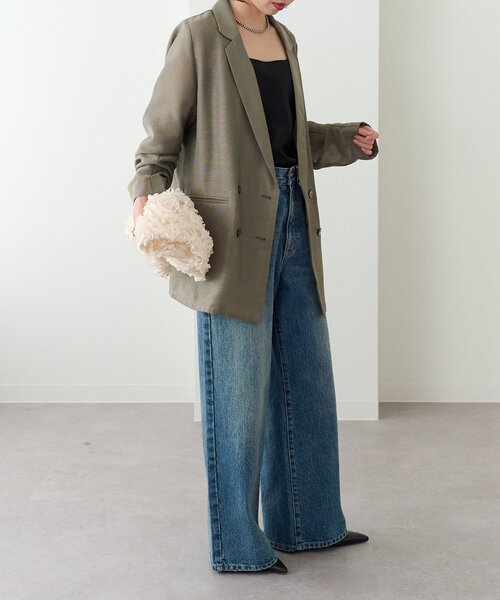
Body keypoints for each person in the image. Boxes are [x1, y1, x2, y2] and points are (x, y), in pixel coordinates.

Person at [128, 0, 379, 574]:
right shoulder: (198, 36)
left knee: (308, 381)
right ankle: (239, 546)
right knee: (238, 395)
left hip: (295, 217)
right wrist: (145, 193)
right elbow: (161, 134)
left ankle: (308, 524)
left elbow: (281, 139)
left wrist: (345, 140)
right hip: (232, 230)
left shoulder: (284, 37)